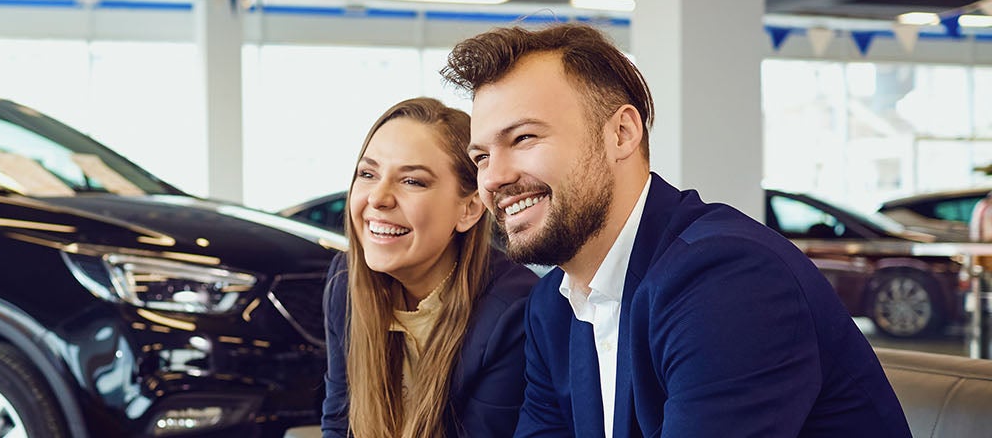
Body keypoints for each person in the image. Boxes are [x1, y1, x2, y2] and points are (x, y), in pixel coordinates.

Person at [441, 24, 911, 437]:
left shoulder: (728, 279)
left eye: (523, 138)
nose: (493, 177)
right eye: (480, 156)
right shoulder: (553, 308)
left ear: (621, 134)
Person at [322, 97, 541, 438]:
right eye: (368, 173)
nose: (378, 198)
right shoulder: (344, 282)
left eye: (412, 181)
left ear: (468, 209)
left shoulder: (514, 311)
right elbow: (339, 423)